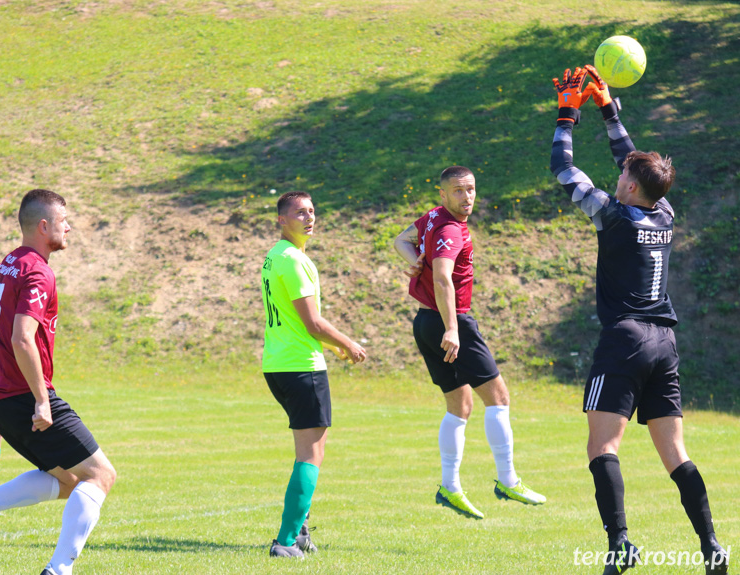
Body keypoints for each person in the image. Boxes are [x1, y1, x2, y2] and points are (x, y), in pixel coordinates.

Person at [551, 66, 729, 575]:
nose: (618, 176)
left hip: (625, 340)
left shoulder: (612, 213)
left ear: (629, 185)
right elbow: (632, 163)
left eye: (624, 176)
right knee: (675, 452)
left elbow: (562, 168)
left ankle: (621, 544)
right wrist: (608, 110)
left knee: (602, 445)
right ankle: (712, 545)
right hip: (664, 343)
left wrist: (568, 113)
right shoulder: (664, 213)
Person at [0, 189, 116, 575]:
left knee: (68, 482)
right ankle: (58, 570)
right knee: (101, 475)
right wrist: (42, 400)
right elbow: (21, 337)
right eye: (64, 221)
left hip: (2, 399)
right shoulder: (37, 270)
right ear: (44, 226)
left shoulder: (8, 263)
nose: (69, 227)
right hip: (26, 396)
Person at [393, 166, 546, 520]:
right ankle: (508, 480)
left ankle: (450, 487)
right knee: (499, 398)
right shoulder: (448, 227)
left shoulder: (431, 218)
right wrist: (452, 329)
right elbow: (444, 278)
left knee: (460, 406)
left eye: (471, 189)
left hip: (424, 321)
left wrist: (413, 261)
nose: (467, 198)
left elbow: (400, 240)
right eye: (458, 191)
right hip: (451, 321)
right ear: (443, 194)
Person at [262, 191, 367, 558]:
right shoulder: (293, 260)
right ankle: (286, 541)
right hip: (300, 366)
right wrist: (349, 344)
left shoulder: (275, 256)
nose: (308, 218)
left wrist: (333, 346)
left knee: (313, 451)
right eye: (299, 213)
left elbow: (298, 323)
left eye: (311, 211)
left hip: (278, 364)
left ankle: (301, 530)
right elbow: (313, 322)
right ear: (281, 220)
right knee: (310, 454)